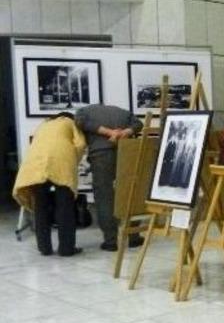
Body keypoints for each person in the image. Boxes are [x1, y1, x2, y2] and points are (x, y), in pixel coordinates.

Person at [13, 112, 87, 256]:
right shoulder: (70, 123)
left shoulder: (44, 125)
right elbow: (80, 144)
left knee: (40, 207)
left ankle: (44, 248)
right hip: (60, 161)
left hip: (36, 163)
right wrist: (74, 161)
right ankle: (66, 249)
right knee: (64, 207)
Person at [75, 104, 144, 252]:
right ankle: (134, 237)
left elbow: (81, 122)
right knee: (129, 193)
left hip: (100, 154)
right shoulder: (123, 111)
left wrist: (110, 132)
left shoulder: (83, 111)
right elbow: (139, 124)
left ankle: (111, 241)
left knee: (104, 196)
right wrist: (123, 132)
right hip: (126, 152)